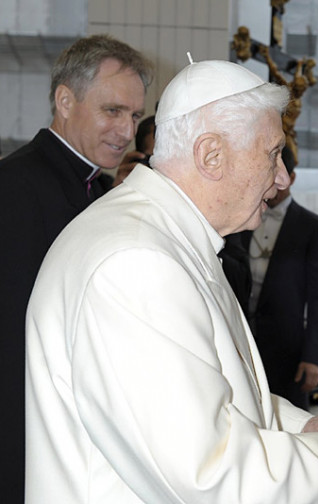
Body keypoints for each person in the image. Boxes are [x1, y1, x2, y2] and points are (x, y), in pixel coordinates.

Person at [25, 58, 318, 504]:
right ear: (211, 155)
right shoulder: (134, 262)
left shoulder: (167, 239)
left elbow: (223, 398)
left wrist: (312, 426)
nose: (282, 178)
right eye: (272, 154)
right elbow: (208, 474)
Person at [0, 34, 153, 503]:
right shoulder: (12, 187)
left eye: (134, 116)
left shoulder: (98, 189)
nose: (127, 131)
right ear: (65, 100)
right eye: (113, 111)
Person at [240, 144, 318, 409]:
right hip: (240, 341)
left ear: (291, 178)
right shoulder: (241, 216)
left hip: (287, 348)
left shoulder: (313, 227)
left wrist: (313, 358)